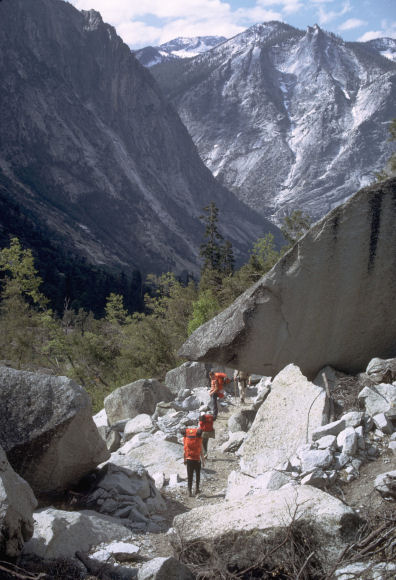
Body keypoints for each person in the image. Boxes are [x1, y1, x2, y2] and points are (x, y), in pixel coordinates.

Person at [181, 427, 205, 497]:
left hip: (189, 459)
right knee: (198, 475)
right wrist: (203, 461)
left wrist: (184, 460)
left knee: (190, 476)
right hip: (197, 460)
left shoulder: (186, 438)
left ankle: (189, 491)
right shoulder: (198, 439)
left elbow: (184, 451)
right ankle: (197, 489)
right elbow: (201, 451)